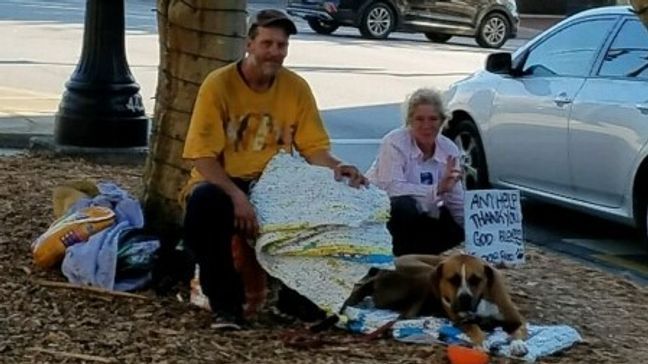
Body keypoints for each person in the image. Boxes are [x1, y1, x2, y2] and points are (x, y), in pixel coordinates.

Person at [180, 9, 367, 330]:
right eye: (267, 43)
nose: (275, 52)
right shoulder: (218, 85)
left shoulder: (295, 87)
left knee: (335, 203)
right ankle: (227, 308)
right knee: (204, 207)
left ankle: (296, 301)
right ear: (249, 44)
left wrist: (340, 167)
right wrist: (237, 196)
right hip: (225, 181)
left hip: (276, 182)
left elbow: (313, 149)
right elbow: (202, 156)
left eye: (281, 45)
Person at [366, 88, 465, 257]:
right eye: (419, 119)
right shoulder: (395, 142)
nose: (427, 126)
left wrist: (480, 236)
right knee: (404, 207)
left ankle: (421, 258)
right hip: (381, 214)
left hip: (424, 215)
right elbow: (391, 189)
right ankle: (396, 261)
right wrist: (437, 189)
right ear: (409, 121)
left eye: (433, 119)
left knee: (455, 228)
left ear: (442, 121)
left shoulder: (449, 149)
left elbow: (457, 202)